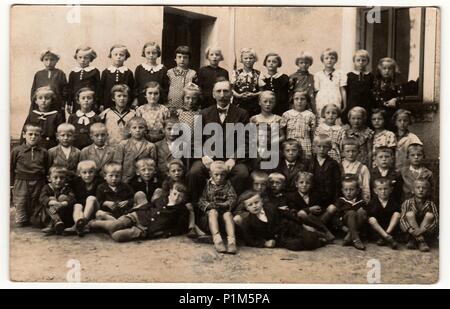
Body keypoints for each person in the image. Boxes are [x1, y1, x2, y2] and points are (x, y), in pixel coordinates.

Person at [186, 80, 250, 203]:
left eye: (225, 91)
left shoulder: (242, 114)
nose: (222, 95)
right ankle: (197, 209)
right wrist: (203, 156)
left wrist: (234, 159)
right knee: (194, 173)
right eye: (218, 91)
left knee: (242, 174)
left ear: (231, 93)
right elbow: (196, 140)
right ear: (213, 94)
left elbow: (246, 142)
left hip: (232, 159)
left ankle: (231, 208)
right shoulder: (204, 113)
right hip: (208, 158)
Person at [89, 182, 190, 242]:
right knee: (113, 226)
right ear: (171, 191)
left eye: (180, 196)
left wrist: (166, 233)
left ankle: (109, 222)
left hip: (145, 229)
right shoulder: (163, 199)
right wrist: (133, 211)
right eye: (175, 194)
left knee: (117, 236)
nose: (176, 198)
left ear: (184, 198)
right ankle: (93, 223)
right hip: (138, 216)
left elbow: (181, 228)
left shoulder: (181, 210)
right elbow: (149, 206)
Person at [239, 190, 326, 251]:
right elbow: (249, 239)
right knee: (294, 245)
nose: (254, 206)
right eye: (250, 205)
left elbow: (287, 214)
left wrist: (302, 225)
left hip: (290, 227)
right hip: (281, 238)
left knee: (309, 238)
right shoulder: (247, 222)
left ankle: (318, 238)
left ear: (261, 201)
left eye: (256, 202)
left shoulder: (270, 207)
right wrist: (264, 243)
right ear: (246, 208)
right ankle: (317, 241)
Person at [11, 124, 49, 227]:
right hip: (21, 181)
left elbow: (46, 168)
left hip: (38, 182)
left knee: (36, 204)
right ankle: (22, 216)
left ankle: (34, 216)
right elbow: (10, 168)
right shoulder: (16, 151)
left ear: (40, 136)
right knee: (21, 203)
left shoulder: (44, 152)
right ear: (24, 135)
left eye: (36, 135)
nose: (33, 137)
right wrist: (11, 184)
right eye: (30, 134)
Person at [197, 161, 238, 254]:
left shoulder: (228, 185)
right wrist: (209, 205)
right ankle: (217, 239)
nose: (219, 178)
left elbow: (233, 198)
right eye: (216, 175)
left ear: (226, 175)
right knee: (212, 212)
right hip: (210, 219)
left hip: (223, 216)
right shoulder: (207, 185)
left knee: (228, 214)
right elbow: (201, 200)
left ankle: (231, 241)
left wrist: (225, 204)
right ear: (210, 174)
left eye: (222, 175)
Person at [65, 160, 104, 236]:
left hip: (95, 209)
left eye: (91, 172)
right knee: (77, 205)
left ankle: (82, 223)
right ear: (79, 174)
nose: (88, 175)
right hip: (82, 212)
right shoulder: (76, 182)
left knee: (91, 198)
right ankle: (78, 224)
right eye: (84, 172)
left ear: (95, 172)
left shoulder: (100, 181)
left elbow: (101, 199)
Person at [400, 179, 438, 252]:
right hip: (411, 232)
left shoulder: (431, 204)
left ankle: (416, 241)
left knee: (430, 215)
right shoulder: (407, 202)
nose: (421, 190)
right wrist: (410, 230)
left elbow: (436, 221)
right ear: (413, 190)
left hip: (425, 232)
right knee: (409, 214)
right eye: (418, 187)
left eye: (424, 188)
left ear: (428, 191)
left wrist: (422, 230)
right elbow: (402, 219)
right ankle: (420, 241)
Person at [38, 166, 76, 236]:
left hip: (64, 213)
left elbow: (72, 199)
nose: (58, 180)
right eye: (55, 178)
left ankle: (57, 226)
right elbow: (42, 198)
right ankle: (56, 223)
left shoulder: (67, 188)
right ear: (49, 178)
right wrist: (53, 203)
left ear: (66, 179)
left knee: (63, 197)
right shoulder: (46, 187)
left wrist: (62, 204)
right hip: (49, 214)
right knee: (51, 199)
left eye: (62, 178)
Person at [117, 116, 156, 183]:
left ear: (145, 130)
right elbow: (118, 163)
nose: (137, 130)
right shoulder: (123, 144)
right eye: (134, 128)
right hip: (126, 178)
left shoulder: (150, 146)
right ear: (129, 130)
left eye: (141, 127)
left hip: (143, 179)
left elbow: (153, 164)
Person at [334, 175, 367, 250]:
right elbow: (335, 217)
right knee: (351, 212)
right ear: (342, 190)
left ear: (358, 191)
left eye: (351, 189)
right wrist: (342, 227)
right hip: (345, 227)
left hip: (357, 228)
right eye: (346, 190)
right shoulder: (340, 201)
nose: (348, 192)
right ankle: (356, 239)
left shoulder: (361, 202)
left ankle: (349, 236)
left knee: (362, 212)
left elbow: (364, 218)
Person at [30, 48, 67, 115]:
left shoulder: (60, 73)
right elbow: (33, 90)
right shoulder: (38, 74)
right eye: (46, 60)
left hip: (56, 105)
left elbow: (65, 91)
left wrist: (63, 105)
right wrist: (34, 103)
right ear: (42, 60)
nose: (49, 62)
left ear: (56, 61)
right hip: (41, 105)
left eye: (52, 60)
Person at [367, 177, 401, 249]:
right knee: (371, 219)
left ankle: (386, 235)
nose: (383, 191)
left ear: (391, 190)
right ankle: (387, 238)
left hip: (390, 229)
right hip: (377, 231)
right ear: (375, 191)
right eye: (380, 189)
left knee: (397, 214)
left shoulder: (394, 203)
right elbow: (369, 217)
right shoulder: (372, 203)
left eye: (385, 189)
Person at [282, 90, 316, 160]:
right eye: (296, 99)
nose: (299, 101)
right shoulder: (287, 114)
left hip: (306, 145)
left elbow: (313, 133)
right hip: (290, 146)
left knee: (305, 164)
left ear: (307, 101)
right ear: (292, 100)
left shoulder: (310, 115)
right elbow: (282, 131)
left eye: (302, 99)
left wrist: (313, 147)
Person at [314, 48, 347, 119]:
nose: (329, 60)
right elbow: (316, 91)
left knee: (334, 117)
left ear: (335, 60)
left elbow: (342, 90)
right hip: (322, 100)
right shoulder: (318, 75)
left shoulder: (340, 74)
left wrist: (345, 104)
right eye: (326, 58)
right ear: (322, 60)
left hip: (335, 99)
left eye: (332, 58)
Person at [343, 49, 374, 124]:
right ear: (354, 61)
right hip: (352, 103)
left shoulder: (370, 76)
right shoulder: (349, 75)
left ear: (367, 62)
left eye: (363, 60)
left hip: (366, 103)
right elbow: (346, 91)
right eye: (358, 60)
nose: (361, 62)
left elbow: (372, 91)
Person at [99, 44, 134, 110]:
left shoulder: (128, 73)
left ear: (126, 57)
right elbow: (101, 89)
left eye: (121, 55)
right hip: (108, 102)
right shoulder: (106, 72)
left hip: (123, 102)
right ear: (111, 56)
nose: (118, 57)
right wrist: (101, 103)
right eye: (115, 54)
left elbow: (131, 89)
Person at [134, 42, 169, 107]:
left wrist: (164, 101)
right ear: (144, 53)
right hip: (142, 101)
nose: (151, 55)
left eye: (154, 53)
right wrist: (136, 99)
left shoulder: (163, 69)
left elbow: (165, 87)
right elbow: (136, 86)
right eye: (148, 53)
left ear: (158, 53)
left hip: (158, 101)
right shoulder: (139, 68)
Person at [67, 46, 101, 112]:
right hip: (77, 101)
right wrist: (69, 103)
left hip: (90, 101)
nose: (82, 60)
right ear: (76, 58)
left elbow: (98, 88)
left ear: (91, 59)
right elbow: (70, 88)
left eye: (86, 58)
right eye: (80, 57)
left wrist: (98, 102)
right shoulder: (73, 72)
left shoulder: (94, 71)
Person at [231, 47, 261, 117]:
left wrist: (254, 95)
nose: (248, 60)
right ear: (241, 59)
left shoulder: (258, 74)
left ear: (254, 59)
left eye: (251, 58)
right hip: (238, 104)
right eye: (245, 58)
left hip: (254, 106)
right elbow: (231, 89)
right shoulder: (236, 73)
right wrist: (239, 95)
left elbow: (262, 91)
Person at [167, 46, 197, 114]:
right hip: (171, 106)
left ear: (189, 59)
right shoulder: (169, 73)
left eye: (185, 57)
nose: (182, 59)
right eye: (179, 57)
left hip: (187, 107)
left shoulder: (192, 73)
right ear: (175, 58)